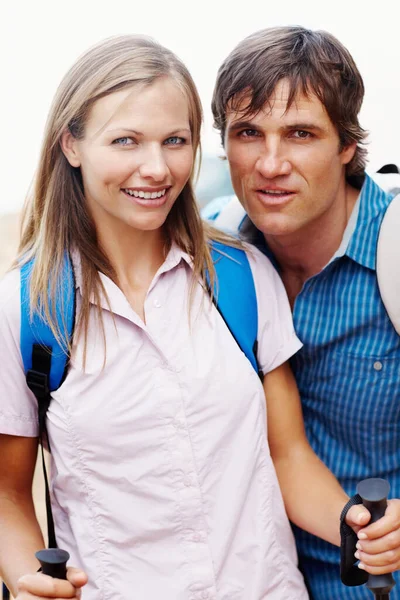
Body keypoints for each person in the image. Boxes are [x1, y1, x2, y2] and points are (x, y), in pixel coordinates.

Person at [0, 35, 397, 600]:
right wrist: (24, 578)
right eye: (126, 141)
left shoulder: (242, 275)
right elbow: (7, 495)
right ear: (72, 144)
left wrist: (353, 523)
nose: (156, 168)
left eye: (175, 141)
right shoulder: (23, 312)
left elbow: (286, 453)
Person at [207, 25, 400, 599]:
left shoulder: (394, 248)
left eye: (299, 134)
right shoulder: (212, 260)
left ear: (346, 145)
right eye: (248, 132)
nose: (270, 164)